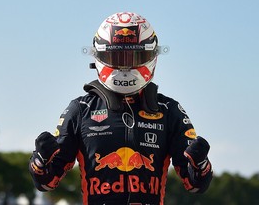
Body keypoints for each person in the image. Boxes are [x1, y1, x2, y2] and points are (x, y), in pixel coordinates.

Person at [29, 12, 213, 205]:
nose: (125, 66)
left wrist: (201, 164)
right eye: (117, 57)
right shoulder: (81, 109)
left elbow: (196, 184)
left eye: (134, 57)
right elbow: (46, 183)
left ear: (151, 56)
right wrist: (40, 161)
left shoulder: (169, 110)